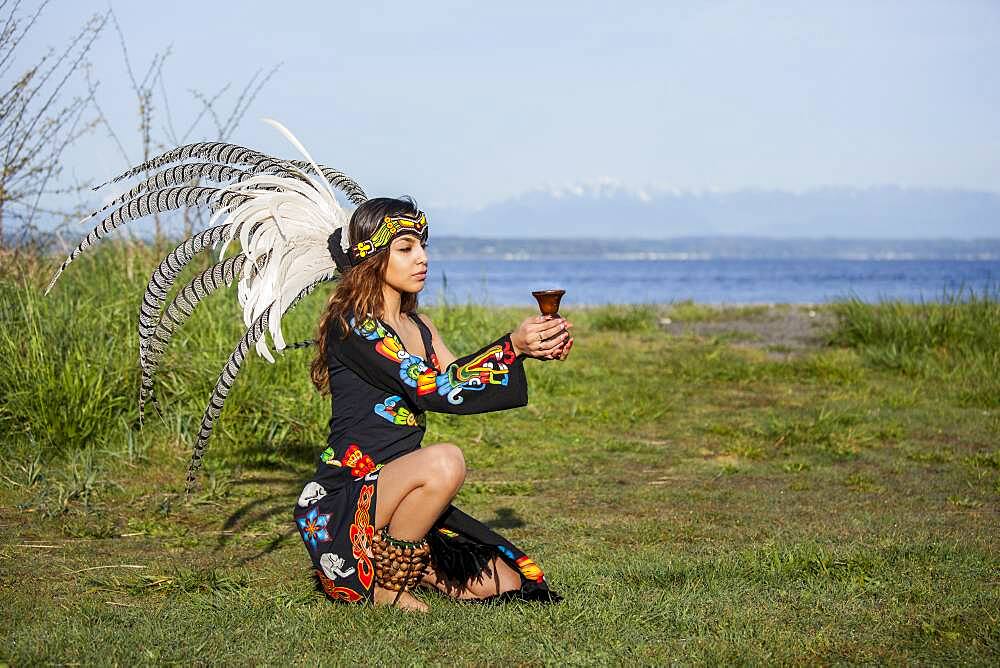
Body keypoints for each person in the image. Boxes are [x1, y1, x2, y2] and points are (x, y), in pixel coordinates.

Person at [297, 197, 573, 610]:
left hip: (401, 496)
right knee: (446, 461)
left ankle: (397, 559)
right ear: (372, 257)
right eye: (406, 248)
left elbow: (452, 378)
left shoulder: (420, 326)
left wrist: (524, 351)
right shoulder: (354, 326)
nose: (422, 258)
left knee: (507, 583)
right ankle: (388, 588)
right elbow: (432, 389)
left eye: (423, 246)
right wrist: (510, 346)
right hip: (344, 500)